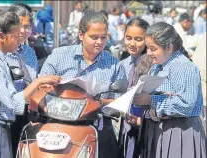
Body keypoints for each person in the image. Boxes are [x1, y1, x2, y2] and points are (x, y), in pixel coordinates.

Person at [0, 12, 61, 158]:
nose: (19, 40)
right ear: (0, 37)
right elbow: (12, 101)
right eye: (15, 36)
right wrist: (38, 82)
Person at [39, 11, 127, 158]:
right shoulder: (59, 56)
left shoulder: (114, 64)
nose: (99, 42)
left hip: (99, 129)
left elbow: (121, 101)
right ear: (81, 35)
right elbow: (40, 87)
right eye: (94, 37)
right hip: (59, 127)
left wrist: (98, 102)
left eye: (103, 37)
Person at [133, 22, 206, 158]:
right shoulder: (158, 65)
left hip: (180, 131)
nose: (148, 53)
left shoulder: (184, 67)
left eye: (153, 49)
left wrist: (151, 99)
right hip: (160, 130)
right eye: (148, 48)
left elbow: (186, 105)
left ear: (169, 47)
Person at [7, 3, 39, 156]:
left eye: (27, 27)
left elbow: (33, 81)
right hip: (4, 116)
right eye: (19, 25)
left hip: (27, 115)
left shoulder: (29, 53)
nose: (23, 31)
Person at [118, 18, 152, 158]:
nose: (132, 44)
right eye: (128, 38)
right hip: (125, 125)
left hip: (146, 126)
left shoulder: (153, 65)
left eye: (138, 39)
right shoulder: (122, 64)